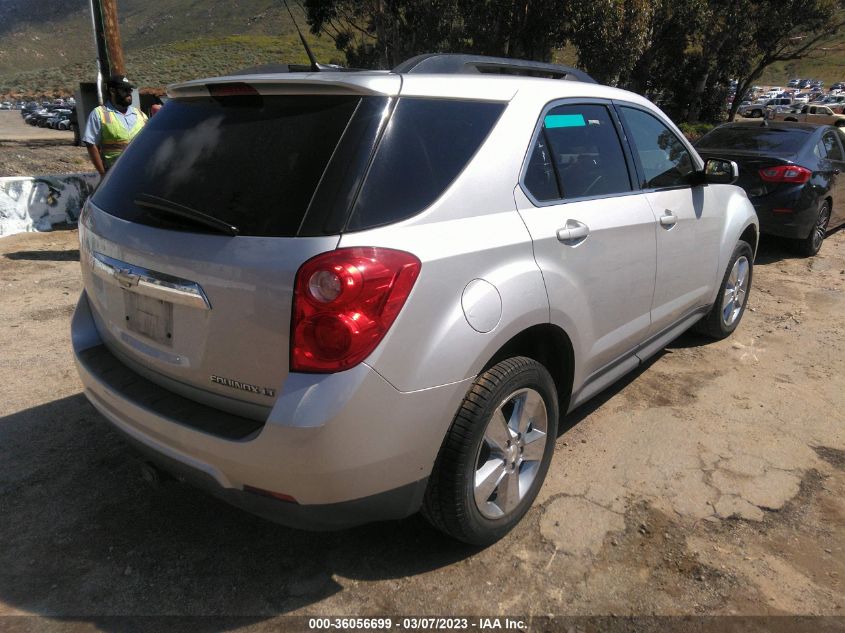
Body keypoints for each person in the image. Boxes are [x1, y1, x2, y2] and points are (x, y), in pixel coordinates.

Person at [82, 74, 148, 177]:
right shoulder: (99, 114)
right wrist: (103, 174)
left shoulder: (141, 115)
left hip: (141, 172)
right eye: (124, 90)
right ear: (112, 91)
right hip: (115, 174)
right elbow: (91, 144)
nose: (129, 94)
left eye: (130, 90)